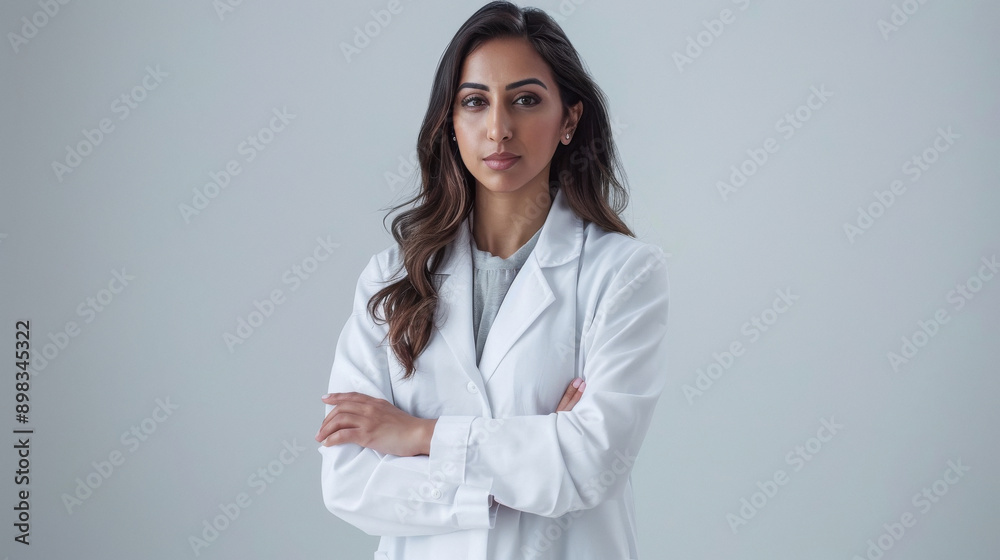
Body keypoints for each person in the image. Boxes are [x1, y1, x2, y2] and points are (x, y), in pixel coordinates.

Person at [315, 2, 669, 558]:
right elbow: (349, 483)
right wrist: (526, 459)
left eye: (526, 100)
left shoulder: (623, 273)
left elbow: (592, 464)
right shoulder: (391, 278)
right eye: (475, 102)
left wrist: (418, 436)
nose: (499, 129)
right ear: (451, 125)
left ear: (569, 120)